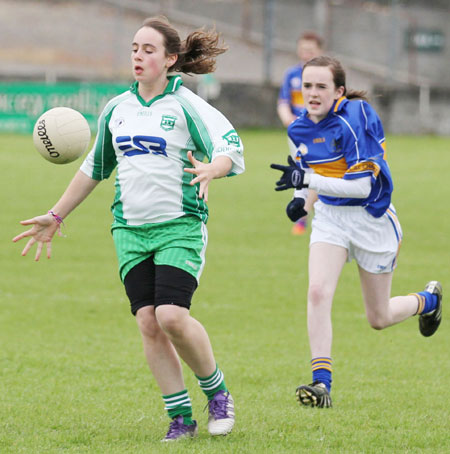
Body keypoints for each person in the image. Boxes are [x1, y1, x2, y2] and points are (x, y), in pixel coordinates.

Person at [13, 16, 244, 441]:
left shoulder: (187, 105)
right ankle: (180, 418)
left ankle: (218, 393)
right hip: (130, 230)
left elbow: (229, 144)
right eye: (135, 48)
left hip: (180, 226)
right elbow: (94, 168)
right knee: (148, 323)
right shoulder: (117, 108)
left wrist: (216, 166)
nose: (138, 56)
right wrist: (56, 214)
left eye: (149, 50)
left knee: (172, 316)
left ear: (171, 59)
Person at [270, 56, 443, 408]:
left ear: (339, 91)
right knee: (317, 292)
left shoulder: (357, 117)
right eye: (307, 86)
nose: (313, 94)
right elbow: (306, 172)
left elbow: (362, 186)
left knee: (378, 319)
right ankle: (322, 384)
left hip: (372, 220)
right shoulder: (298, 129)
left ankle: (429, 301)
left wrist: (307, 182)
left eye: (322, 86)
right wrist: (300, 200)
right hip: (331, 218)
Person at [277, 32, 324, 235]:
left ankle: (316, 215)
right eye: (303, 49)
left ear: (319, 51)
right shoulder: (292, 74)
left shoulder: (325, 74)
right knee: (302, 172)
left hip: (320, 132)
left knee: (321, 171)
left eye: (310, 50)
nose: (306, 53)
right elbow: (283, 102)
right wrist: (289, 120)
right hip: (299, 133)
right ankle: (302, 217)